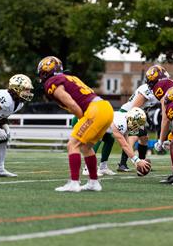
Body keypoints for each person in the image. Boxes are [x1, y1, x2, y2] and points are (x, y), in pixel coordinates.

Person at [37, 56, 114, 192]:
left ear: (46, 71)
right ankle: (93, 182)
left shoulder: (52, 82)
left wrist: (82, 118)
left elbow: (71, 103)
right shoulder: (70, 77)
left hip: (95, 110)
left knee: (73, 144)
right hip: (106, 108)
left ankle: (74, 183)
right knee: (86, 147)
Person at [117, 82, 158, 172]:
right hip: (128, 113)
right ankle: (122, 164)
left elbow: (143, 107)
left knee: (144, 138)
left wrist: (149, 121)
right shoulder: (147, 90)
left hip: (136, 114)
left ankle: (142, 162)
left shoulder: (153, 90)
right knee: (132, 138)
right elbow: (135, 107)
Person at [111, 107, 151, 172]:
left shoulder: (126, 121)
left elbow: (127, 144)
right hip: (96, 121)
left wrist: (135, 161)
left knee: (108, 140)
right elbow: (123, 145)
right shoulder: (121, 123)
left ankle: (102, 167)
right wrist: (137, 160)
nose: (137, 126)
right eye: (137, 123)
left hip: (105, 125)